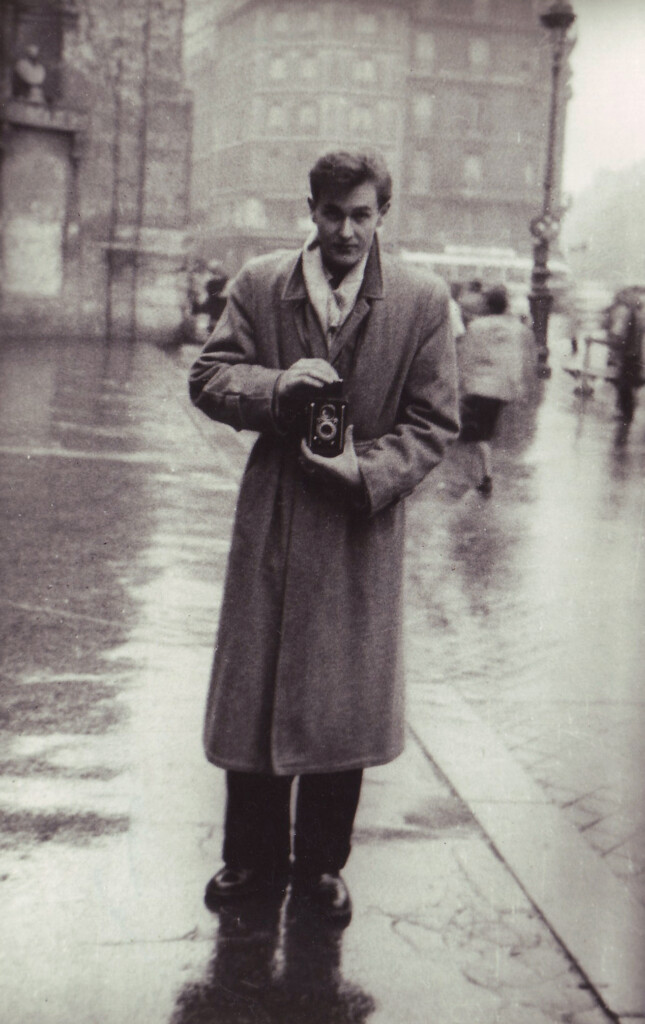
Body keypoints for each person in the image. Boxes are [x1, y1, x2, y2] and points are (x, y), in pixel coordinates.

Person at [188, 149, 459, 925]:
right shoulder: (260, 283)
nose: (346, 230)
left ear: (382, 215)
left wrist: (363, 471)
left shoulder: (421, 300)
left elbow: (433, 423)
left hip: (355, 527)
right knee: (257, 686)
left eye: (361, 215)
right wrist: (276, 387)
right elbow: (208, 376)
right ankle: (249, 857)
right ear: (310, 210)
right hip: (274, 511)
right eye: (332, 213)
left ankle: (320, 868)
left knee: (341, 699)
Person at [457, 285, 533, 495]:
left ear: (487, 305)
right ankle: (482, 475)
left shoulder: (477, 326)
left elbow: (467, 357)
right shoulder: (514, 329)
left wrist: (462, 382)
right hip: (500, 389)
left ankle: (482, 476)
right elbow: (515, 361)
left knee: (474, 434)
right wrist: (517, 387)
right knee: (483, 433)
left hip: (478, 386)